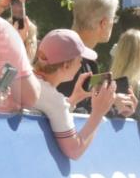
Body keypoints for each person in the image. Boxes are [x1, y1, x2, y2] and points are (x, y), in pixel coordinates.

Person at [30, 29, 116, 160]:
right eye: (80, 59)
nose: (81, 63)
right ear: (66, 66)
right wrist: (98, 113)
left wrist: (72, 100)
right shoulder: (54, 100)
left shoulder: (26, 77)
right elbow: (74, 151)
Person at [56, 0, 134, 117]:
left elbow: (86, 106)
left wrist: (117, 106)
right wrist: (113, 103)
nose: (113, 24)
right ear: (103, 23)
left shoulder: (74, 53)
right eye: (113, 19)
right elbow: (75, 113)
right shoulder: (71, 57)